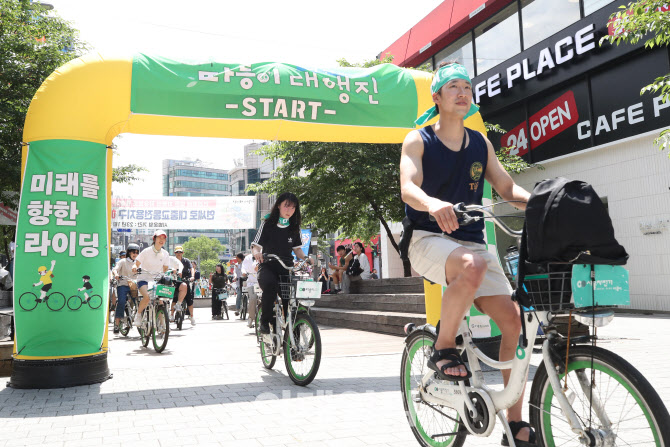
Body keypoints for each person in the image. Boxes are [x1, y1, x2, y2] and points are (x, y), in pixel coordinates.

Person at [400, 61, 533, 446]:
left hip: (471, 242)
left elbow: (507, 188)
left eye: (467, 87)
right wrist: (431, 203)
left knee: (515, 324)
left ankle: (515, 423)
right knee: (471, 266)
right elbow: (409, 187)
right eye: (453, 86)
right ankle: (443, 348)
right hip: (427, 238)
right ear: (437, 97)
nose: (462, 92)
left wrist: (541, 200)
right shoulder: (418, 139)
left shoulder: (480, 142)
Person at [251, 192, 311, 335]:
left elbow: (297, 250)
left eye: (293, 208)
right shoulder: (267, 223)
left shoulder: (294, 227)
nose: (289, 211)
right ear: (278, 205)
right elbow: (256, 245)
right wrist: (257, 254)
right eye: (286, 206)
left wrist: (306, 258)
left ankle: (294, 344)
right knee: (270, 286)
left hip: (286, 269)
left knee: (290, 302)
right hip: (268, 267)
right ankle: (264, 323)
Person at [132, 230, 170, 328]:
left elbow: (165, 267)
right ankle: (139, 315)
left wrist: (166, 272)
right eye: (159, 238)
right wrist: (134, 267)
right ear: (154, 239)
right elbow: (136, 262)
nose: (161, 240)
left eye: (163, 238)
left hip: (156, 280)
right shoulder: (146, 251)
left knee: (161, 302)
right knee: (147, 297)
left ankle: (163, 326)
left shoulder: (165, 253)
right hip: (144, 279)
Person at [111, 243, 140, 334]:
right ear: (129, 253)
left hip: (135, 285)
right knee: (122, 302)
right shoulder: (123, 261)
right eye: (133, 252)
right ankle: (116, 324)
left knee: (139, 302)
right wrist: (116, 274)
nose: (135, 254)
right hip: (123, 284)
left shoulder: (138, 262)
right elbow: (115, 269)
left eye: (136, 252)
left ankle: (139, 320)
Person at [171, 245, 196, 326]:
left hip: (186, 280)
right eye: (177, 252)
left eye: (180, 252)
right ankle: (171, 315)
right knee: (174, 298)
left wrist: (192, 276)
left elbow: (191, 268)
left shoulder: (186, 261)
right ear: (175, 253)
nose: (179, 253)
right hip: (175, 281)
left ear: (182, 253)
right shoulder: (172, 261)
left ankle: (191, 317)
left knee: (189, 300)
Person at [241, 253, 259, 328]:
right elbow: (243, 267)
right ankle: (251, 318)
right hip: (252, 282)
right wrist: (244, 272)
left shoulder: (264, 254)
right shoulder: (248, 258)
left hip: (263, 280)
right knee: (252, 299)